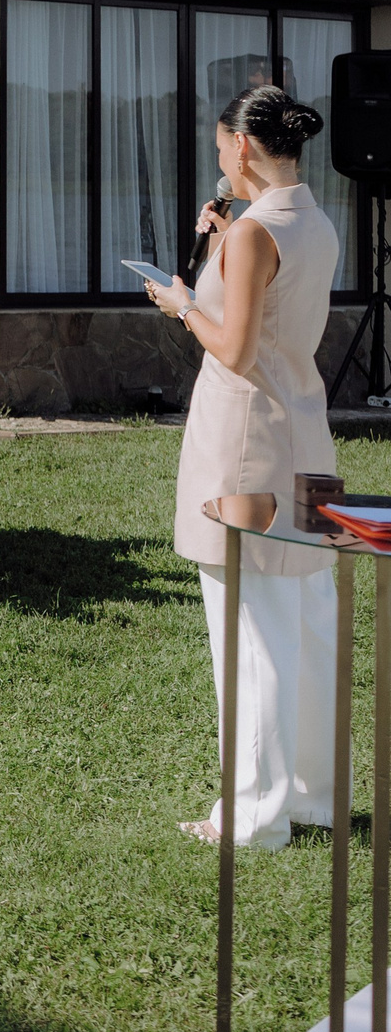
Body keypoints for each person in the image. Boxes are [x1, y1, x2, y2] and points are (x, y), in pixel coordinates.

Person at [145, 86, 338, 851]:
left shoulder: (258, 231)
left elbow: (233, 346)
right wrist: (224, 241)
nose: (218, 155)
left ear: (244, 147)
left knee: (248, 632)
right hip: (306, 432)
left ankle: (254, 816)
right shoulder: (313, 219)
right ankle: (315, 793)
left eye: (222, 143)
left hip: (248, 441)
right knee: (308, 621)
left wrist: (182, 301)